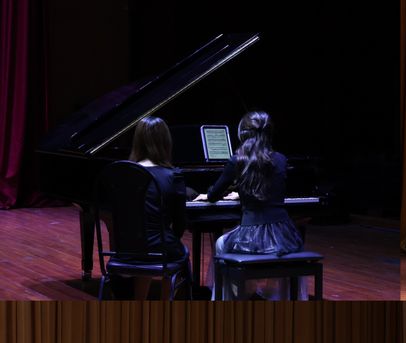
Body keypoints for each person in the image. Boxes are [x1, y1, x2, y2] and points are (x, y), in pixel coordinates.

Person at [195, 111, 304, 300]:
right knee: (285, 251)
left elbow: (214, 195)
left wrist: (210, 194)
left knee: (221, 243)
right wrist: (244, 193)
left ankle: (229, 297)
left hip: (251, 233)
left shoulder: (237, 160)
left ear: (242, 134)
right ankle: (278, 297)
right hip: (283, 231)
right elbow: (271, 190)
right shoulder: (281, 159)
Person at [126, 116, 192, 299]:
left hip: (127, 249)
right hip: (160, 246)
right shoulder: (173, 176)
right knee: (177, 253)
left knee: (147, 250)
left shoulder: (125, 173)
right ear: (165, 142)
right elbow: (179, 223)